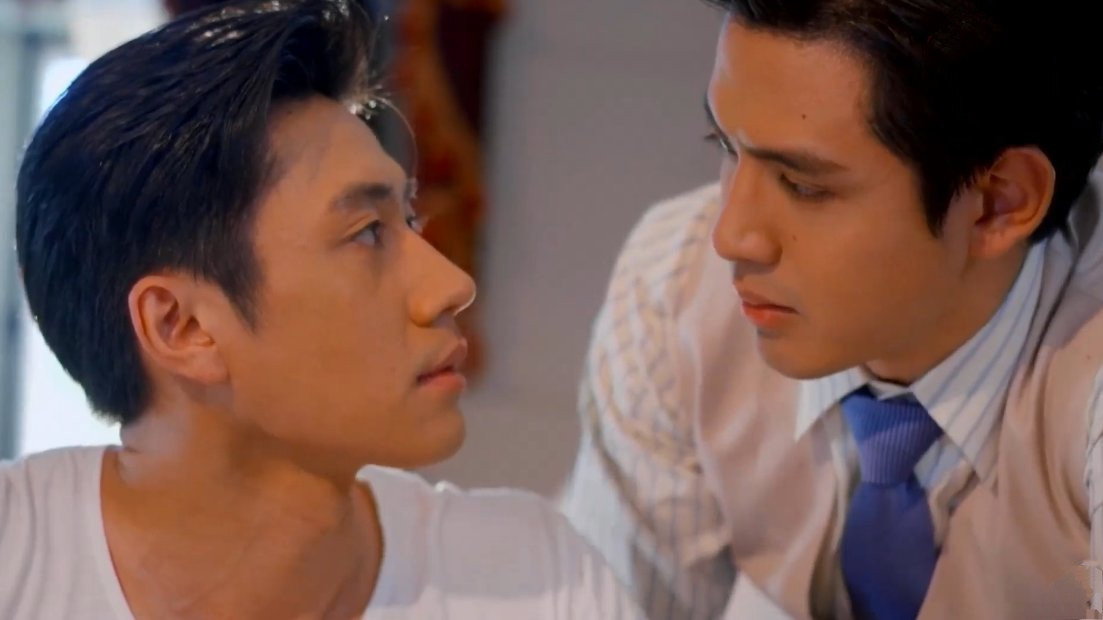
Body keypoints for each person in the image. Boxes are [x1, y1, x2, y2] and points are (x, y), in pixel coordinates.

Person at [0, 1, 642, 618]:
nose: (450, 286)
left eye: (409, 219)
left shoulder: (536, 582)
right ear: (183, 327)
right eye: (367, 233)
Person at [561, 1, 1103, 618]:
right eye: (726, 146)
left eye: (804, 186)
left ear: (997, 202)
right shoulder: (676, 286)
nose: (730, 236)